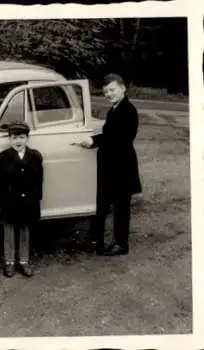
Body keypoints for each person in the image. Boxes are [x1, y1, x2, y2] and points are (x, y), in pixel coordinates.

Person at [75, 73, 142, 256]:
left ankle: (121, 244)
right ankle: (97, 240)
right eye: (105, 92)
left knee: (121, 207)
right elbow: (111, 135)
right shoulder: (114, 109)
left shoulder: (128, 110)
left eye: (112, 90)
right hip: (111, 166)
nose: (109, 94)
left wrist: (94, 141)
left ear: (123, 88)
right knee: (103, 203)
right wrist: (94, 140)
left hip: (121, 167)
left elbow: (121, 139)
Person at [0, 121, 44, 277]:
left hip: (28, 201)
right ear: (9, 139)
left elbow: (39, 180)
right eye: (14, 138)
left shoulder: (34, 157)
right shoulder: (3, 157)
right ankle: (9, 262)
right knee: (9, 231)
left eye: (21, 137)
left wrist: (36, 199)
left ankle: (24, 261)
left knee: (25, 231)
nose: (18, 141)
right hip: (9, 201)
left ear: (27, 138)